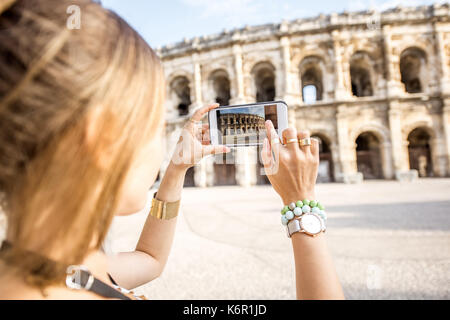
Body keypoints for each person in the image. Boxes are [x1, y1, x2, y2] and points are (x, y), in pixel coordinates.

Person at [0, 0, 344, 300]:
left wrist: (177, 169)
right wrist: (301, 206)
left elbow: (150, 260)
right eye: (153, 125)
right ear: (104, 138)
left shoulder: (49, 268)